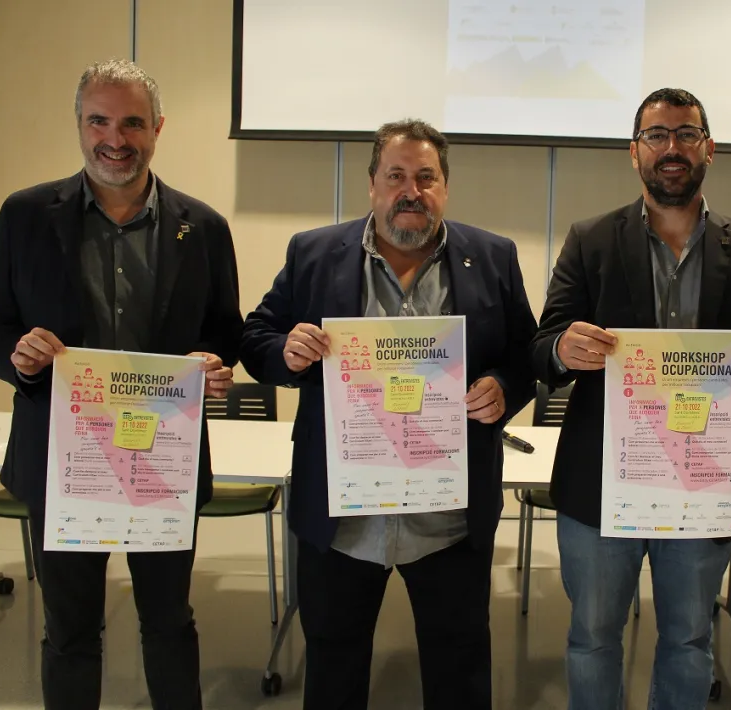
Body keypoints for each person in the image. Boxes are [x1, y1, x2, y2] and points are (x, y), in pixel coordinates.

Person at [0, 58, 243, 710]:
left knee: (169, 622)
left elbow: (226, 332)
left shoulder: (201, 227)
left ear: (158, 128)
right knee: (69, 631)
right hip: (65, 462)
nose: (114, 138)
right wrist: (19, 355)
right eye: (99, 120)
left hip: (162, 460)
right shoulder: (27, 215)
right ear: (79, 123)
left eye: (132, 122)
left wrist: (214, 363)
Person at [239, 119, 537, 710]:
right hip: (344, 520)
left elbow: (526, 355)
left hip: (447, 518)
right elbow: (254, 338)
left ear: (444, 187)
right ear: (373, 184)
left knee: (459, 673)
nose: (411, 190)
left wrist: (504, 388)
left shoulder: (493, 257)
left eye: (426, 177)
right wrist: (287, 354)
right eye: (396, 175)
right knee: (333, 670)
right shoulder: (314, 253)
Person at [528, 88, 731, 710]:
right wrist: (561, 351)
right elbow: (542, 346)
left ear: (709, 147)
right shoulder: (591, 239)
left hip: (704, 484)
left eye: (686, 134)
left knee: (688, 638)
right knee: (593, 636)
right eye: (657, 135)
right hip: (602, 482)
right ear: (635, 152)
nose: (672, 147)